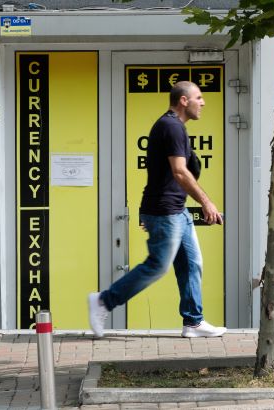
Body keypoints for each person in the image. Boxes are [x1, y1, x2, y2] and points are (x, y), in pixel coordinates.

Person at [88, 81, 226, 338]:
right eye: (198, 97)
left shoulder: (174, 126)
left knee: (191, 264)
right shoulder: (171, 126)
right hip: (165, 212)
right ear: (183, 100)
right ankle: (104, 301)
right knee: (158, 266)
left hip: (177, 210)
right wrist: (206, 202)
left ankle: (193, 322)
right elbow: (179, 172)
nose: (203, 102)